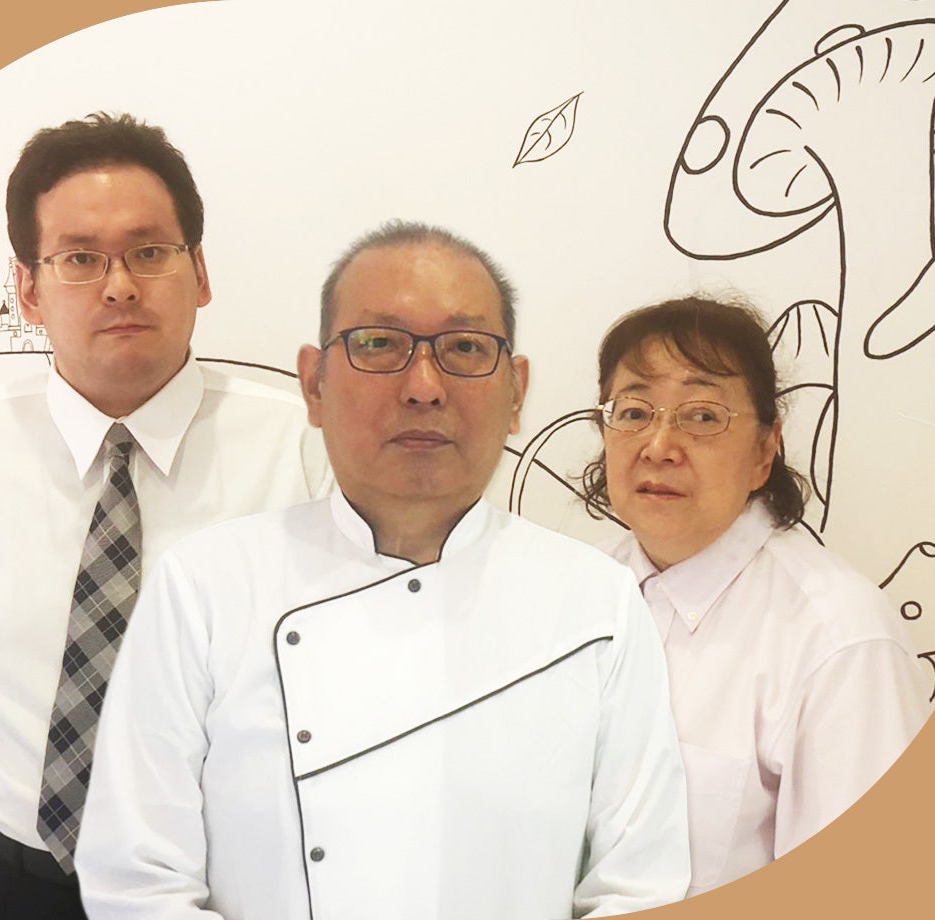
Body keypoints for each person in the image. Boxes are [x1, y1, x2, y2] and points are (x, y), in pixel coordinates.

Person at [74, 221, 691, 919]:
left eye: (465, 348)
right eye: (378, 345)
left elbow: (639, 886)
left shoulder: (598, 604)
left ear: (517, 393)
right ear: (314, 385)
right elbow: (138, 882)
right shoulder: (205, 587)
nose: (424, 387)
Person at [0, 112, 332, 920]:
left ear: (200, 272)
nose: (119, 286)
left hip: (231, 887)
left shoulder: (309, 456)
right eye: (80, 258)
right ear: (28, 289)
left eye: (149, 252)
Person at [580, 295, 927, 897]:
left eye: (702, 416)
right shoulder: (577, 593)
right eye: (633, 411)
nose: (659, 445)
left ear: (765, 451)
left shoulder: (840, 636)